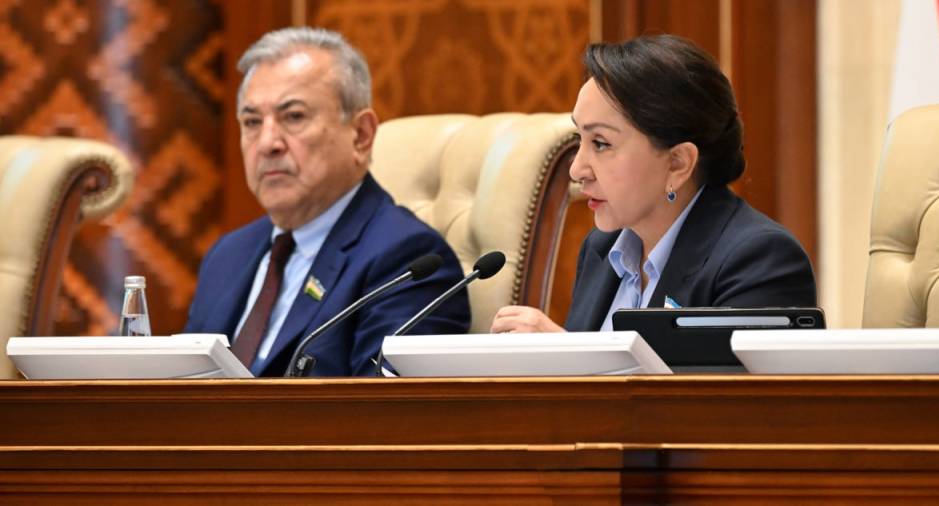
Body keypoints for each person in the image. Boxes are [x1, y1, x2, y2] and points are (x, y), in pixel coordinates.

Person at [185, 27, 470, 376]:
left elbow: (383, 406)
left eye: (294, 116)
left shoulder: (406, 260)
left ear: (361, 135)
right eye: (252, 122)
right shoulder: (228, 254)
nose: (268, 143)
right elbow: (182, 387)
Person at [491, 34, 816, 334]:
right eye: (580, 139)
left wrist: (566, 356)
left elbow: (713, 381)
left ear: (678, 163)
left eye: (601, 143)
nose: (577, 170)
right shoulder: (601, 249)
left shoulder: (759, 261)